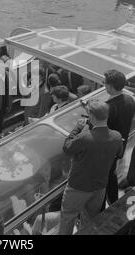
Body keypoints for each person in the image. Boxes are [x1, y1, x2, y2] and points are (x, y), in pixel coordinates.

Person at [59, 99, 123, 235]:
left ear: (92, 116)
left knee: (67, 218)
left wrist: (77, 128)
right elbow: (119, 154)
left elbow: (67, 148)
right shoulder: (117, 136)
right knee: (89, 220)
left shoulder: (84, 138)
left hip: (78, 187)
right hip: (100, 187)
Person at [103, 70, 135, 200]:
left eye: (104, 83)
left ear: (110, 86)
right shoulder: (129, 99)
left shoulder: (109, 108)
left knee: (108, 175)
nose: (104, 85)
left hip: (108, 149)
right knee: (111, 173)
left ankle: (112, 201)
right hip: (121, 143)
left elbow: (101, 129)